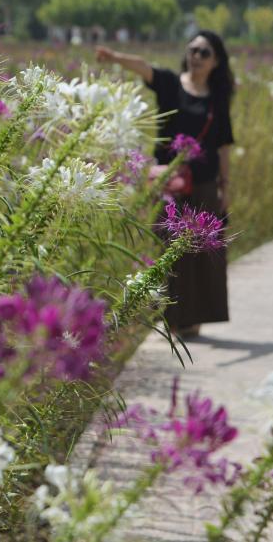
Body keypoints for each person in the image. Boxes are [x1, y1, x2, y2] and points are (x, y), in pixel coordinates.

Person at [96, 31, 235, 337]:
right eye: (193, 49)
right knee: (169, 251)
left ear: (216, 62)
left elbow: (223, 145)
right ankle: (172, 318)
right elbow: (144, 67)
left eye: (204, 52)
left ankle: (194, 319)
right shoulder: (171, 84)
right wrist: (114, 57)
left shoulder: (217, 98)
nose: (196, 56)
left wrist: (225, 187)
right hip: (169, 186)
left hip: (204, 185)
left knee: (201, 254)